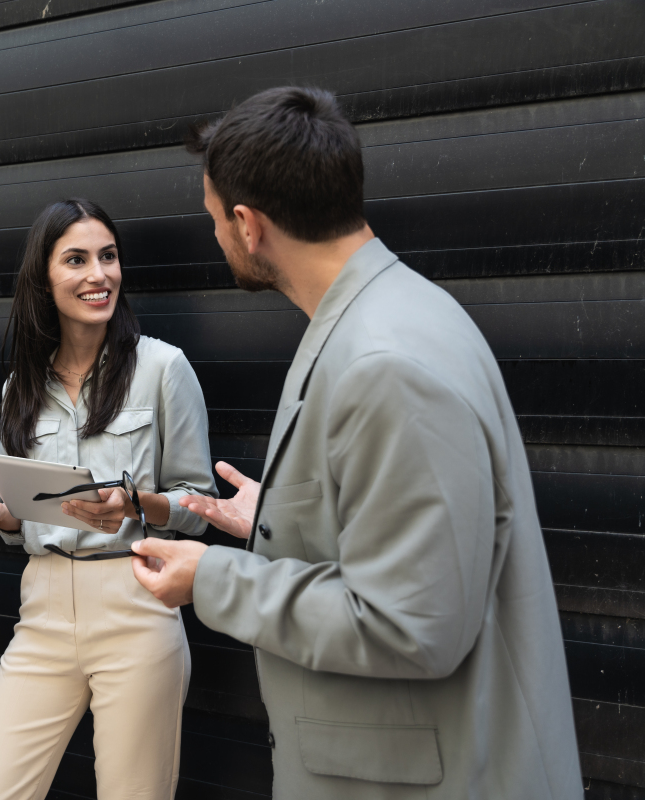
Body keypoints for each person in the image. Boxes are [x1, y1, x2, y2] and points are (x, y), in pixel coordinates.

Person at [131, 87, 583, 798]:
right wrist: (280, 527)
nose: (215, 234)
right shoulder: (396, 313)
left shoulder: (385, 366)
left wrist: (210, 578)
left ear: (249, 225)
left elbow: (410, 624)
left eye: (214, 217)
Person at [0, 198, 217, 800]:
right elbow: (33, 508)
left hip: (135, 602)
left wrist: (136, 503)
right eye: (77, 260)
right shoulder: (19, 388)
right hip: (44, 609)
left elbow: (200, 504)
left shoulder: (163, 367)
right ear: (44, 279)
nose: (98, 275)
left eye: (108, 257)